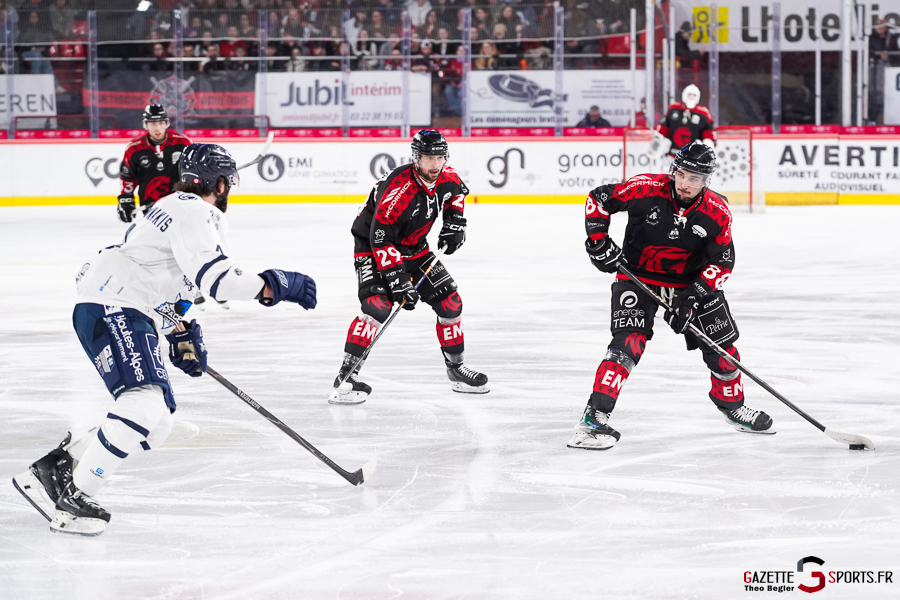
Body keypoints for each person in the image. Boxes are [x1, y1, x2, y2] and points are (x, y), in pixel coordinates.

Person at [12, 143, 318, 536]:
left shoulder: (174, 208)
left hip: (120, 303)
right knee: (142, 404)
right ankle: (76, 498)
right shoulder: (195, 211)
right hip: (116, 303)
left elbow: (170, 283)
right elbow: (219, 280)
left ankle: (55, 469)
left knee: (158, 422)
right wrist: (275, 286)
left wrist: (180, 333)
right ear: (220, 184)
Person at [568, 142, 774, 450]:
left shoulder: (716, 212)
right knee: (627, 344)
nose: (686, 183)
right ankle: (593, 418)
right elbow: (598, 199)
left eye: (695, 178)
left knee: (724, 351)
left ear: (707, 181)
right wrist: (598, 243)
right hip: (637, 277)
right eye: (682, 174)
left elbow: (723, 261)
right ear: (674, 170)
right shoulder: (645, 188)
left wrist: (693, 296)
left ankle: (731, 404)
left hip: (691, 282)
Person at [328, 130, 489, 405]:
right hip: (373, 247)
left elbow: (457, 196)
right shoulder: (397, 192)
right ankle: (347, 374)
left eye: (439, 157)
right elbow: (380, 240)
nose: (435, 165)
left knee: (451, 304)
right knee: (377, 307)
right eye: (428, 158)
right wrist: (398, 281)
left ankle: (456, 369)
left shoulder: (447, 176)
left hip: (415, 247)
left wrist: (455, 224)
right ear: (416, 158)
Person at [117, 104, 192, 224]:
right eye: (153, 124)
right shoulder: (134, 149)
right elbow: (128, 177)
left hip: (180, 202)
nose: (157, 128)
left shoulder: (183, 143)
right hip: (150, 204)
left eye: (161, 123)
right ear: (145, 125)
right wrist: (126, 199)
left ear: (167, 124)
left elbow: (193, 172)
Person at [647, 84, 716, 161]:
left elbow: (709, 135)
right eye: (689, 94)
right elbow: (663, 129)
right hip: (672, 156)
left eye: (694, 95)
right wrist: (658, 141)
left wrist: (707, 147)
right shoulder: (674, 109)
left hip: (692, 158)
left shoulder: (703, 113)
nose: (691, 97)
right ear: (684, 95)